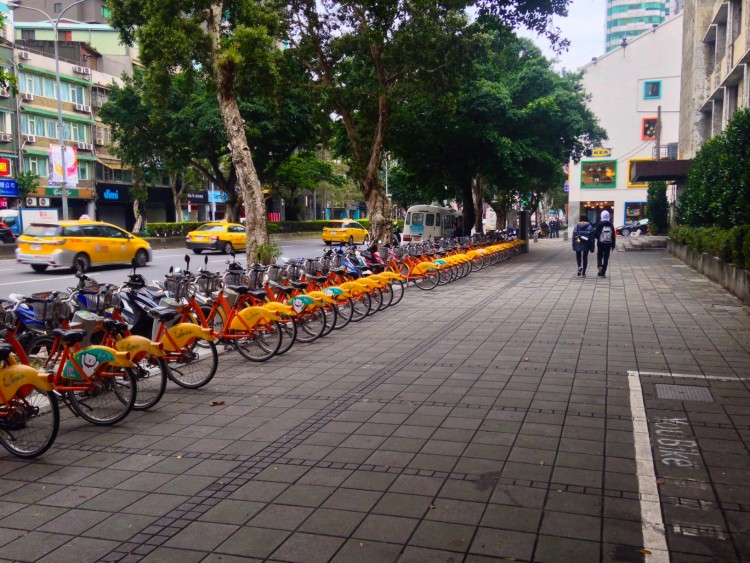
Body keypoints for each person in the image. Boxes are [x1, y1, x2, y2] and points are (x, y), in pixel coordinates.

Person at [593, 210, 616, 277]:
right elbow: (613, 235)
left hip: (600, 243)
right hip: (608, 243)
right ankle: (603, 272)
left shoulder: (599, 224)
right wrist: (613, 245)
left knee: (599, 255)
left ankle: (600, 265)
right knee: (606, 258)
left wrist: (598, 238)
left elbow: (595, 233)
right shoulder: (611, 224)